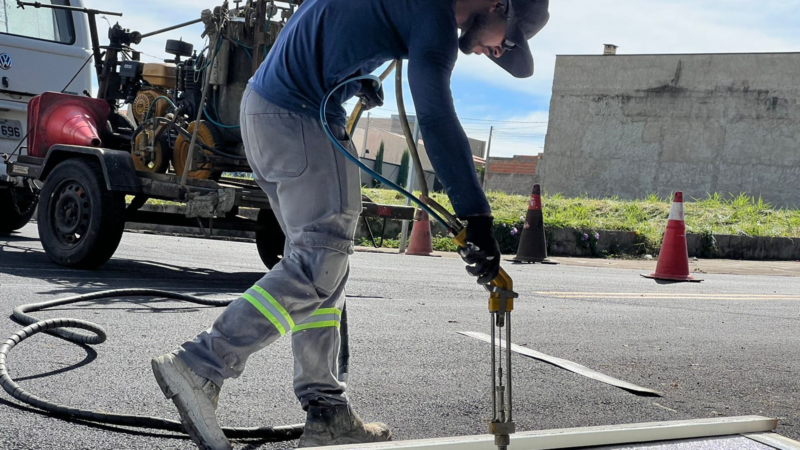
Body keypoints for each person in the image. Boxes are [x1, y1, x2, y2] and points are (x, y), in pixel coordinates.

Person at [151, 0, 550, 448]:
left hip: (265, 109)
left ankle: (327, 411)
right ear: (499, 5)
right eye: (503, 45)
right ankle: (202, 363)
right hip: (300, 112)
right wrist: (476, 216)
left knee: (323, 269)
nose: (490, 53)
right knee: (321, 261)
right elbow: (435, 118)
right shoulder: (434, 16)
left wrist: (351, 74)